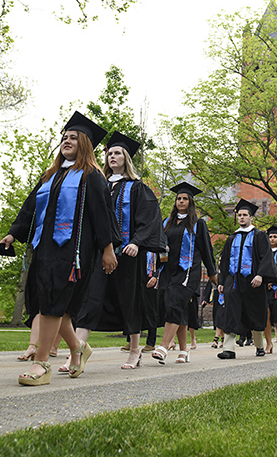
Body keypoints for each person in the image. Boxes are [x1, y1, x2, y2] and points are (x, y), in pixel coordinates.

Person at [1, 111, 120, 385]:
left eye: (73, 138)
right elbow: (29, 208)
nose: (67, 141)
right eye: (64, 137)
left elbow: (103, 215)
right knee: (52, 305)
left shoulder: (91, 176)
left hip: (73, 251)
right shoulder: (50, 175)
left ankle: (41, 363)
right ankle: (78, 348)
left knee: (53, 301)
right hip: (44, 247)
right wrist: (12, 234)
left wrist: (107, 249)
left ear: (85, 144)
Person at [74, 131, 165, 370]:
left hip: (128, 255)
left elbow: (149, 220)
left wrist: (136, 241)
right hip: (99, 254)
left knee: (129, 300)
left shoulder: (137, 188)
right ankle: (76, 352)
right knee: (90, 299)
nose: (112, 156)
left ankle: (135, 350)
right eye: (109, 153)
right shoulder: (97, 184)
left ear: (126, 158)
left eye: (117, 153)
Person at [152, 181, 217, 365]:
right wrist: (156, 272)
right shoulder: (167, 222)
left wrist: (212, 273)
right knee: (174, 307)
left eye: (185, 199)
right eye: (179, 198)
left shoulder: (198, 224)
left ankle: (164, 346)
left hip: (188, 271)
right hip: (168, 271)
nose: (181, 201)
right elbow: (160, 247)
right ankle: (184, 350)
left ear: (190, 202)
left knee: (174, 302)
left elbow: (206, 249)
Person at [217, 198, 277, 359]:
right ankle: (229, 349)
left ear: (251, 217)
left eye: (245, 215)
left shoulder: (259, 236)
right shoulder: (232, 238)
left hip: (253, 283)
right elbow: (225, 261)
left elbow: (266, 257)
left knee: (255, 313)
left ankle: (259, 345)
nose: (242, 217)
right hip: (234, 282)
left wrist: (260, 275)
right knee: (231, 312)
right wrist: (222, 282)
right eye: (240, 215)